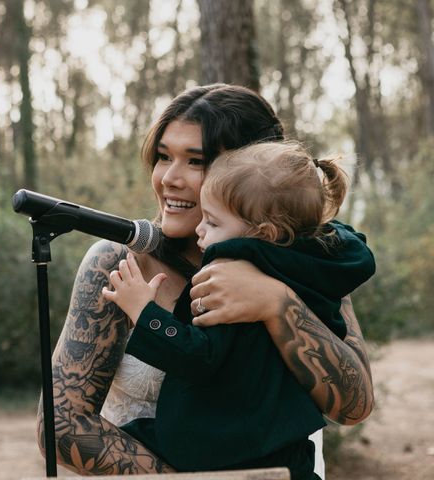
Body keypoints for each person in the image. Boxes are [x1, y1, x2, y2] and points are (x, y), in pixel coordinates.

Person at [36, 84, 374, 477]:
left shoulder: (304, 260)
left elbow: (353, 406)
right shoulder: (117, 263)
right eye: (163, 157)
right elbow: (61, 426)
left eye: (195, 161)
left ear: (250, 171)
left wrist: (277, 303)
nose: (168, 178)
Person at [100, 142, 376, 478]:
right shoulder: (316, 263)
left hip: (226, 448)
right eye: (163, 156)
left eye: (212, 223)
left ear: (264, 232)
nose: (202, 229)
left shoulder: (233, 273)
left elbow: (201, 357)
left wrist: (144, 312)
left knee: (129, 435)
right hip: (282, 449)